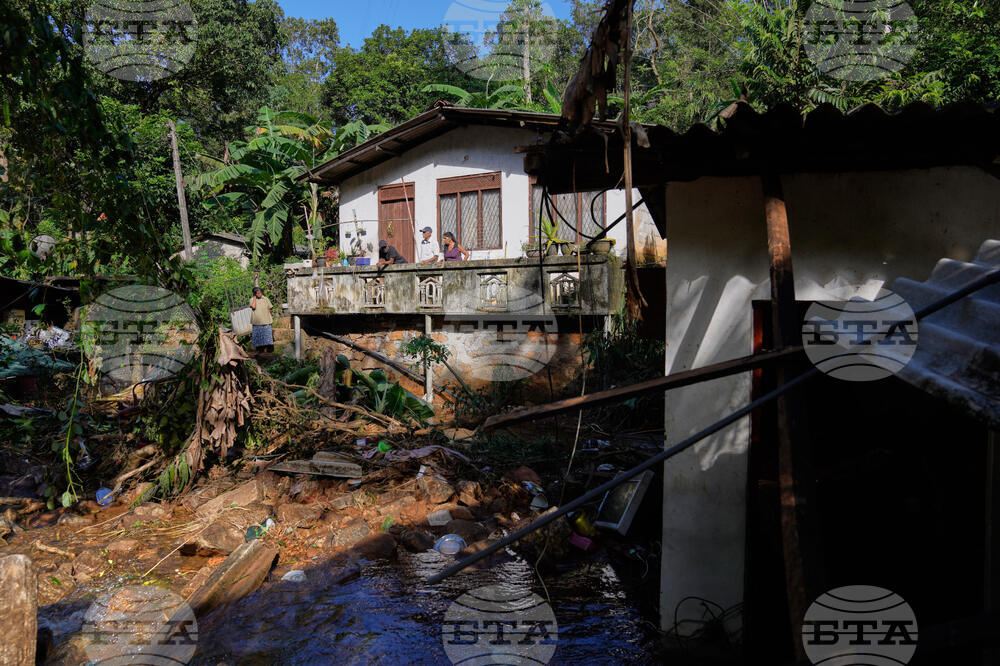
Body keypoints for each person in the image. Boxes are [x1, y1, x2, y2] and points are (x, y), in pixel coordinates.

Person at [249, 287, 274, 353]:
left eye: (260, 293)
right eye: (257, 293)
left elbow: (270, 308)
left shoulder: (265, 299)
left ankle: (265, 351)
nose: (259, 294)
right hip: (257, 322)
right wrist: (254, 298)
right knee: (257, 337)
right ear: (254, 294)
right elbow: (253, 307)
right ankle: (258, 351)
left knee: (266, 337)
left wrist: (266, 313)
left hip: (266, 320)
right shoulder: (251, 300)